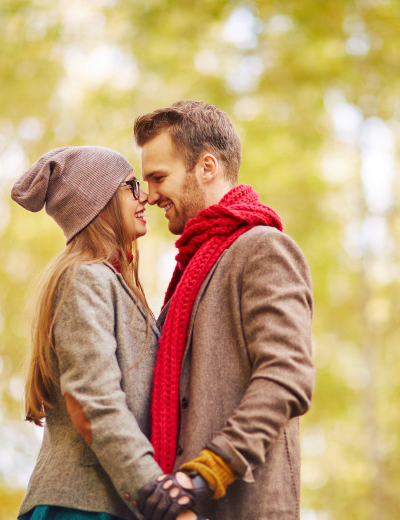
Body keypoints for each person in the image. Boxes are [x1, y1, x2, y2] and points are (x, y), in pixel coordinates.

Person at [131, 100, 315, 520]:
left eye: (159, 178)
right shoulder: (191, 267)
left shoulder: (264, 249)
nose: (151, 195)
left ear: (207, 167)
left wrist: (204, 474)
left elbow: (288, 376)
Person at [12, 146, 184, 520]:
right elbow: (93, 403)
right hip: (81, 506)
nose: (145, 197)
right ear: (99, 203)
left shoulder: (110, 282)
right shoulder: (84, 279)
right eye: (130, 186)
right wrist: (156, 492)